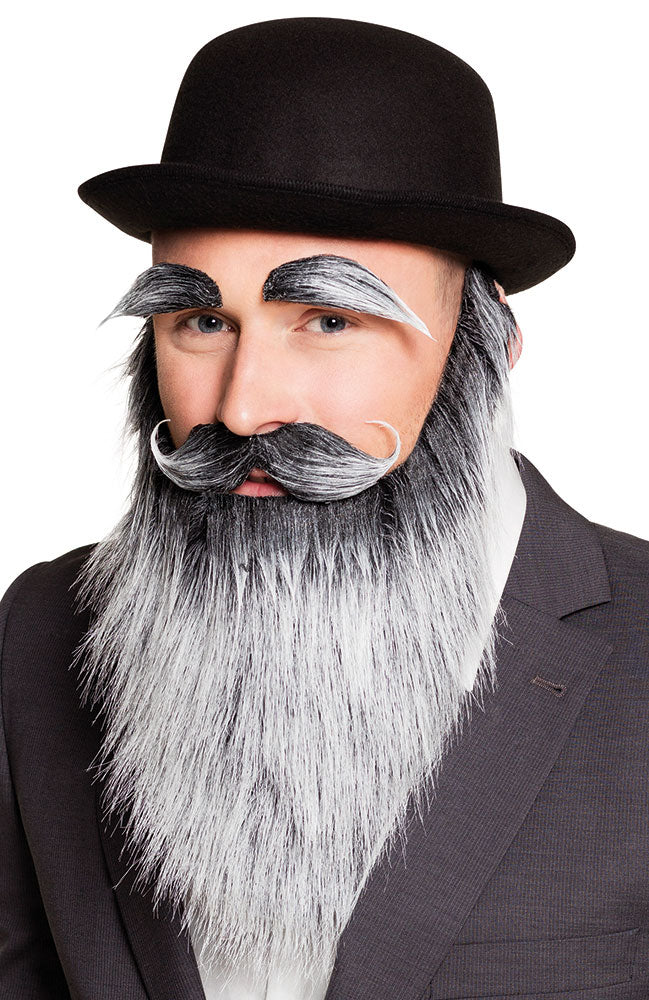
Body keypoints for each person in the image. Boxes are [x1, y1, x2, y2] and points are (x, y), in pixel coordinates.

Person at [1, 16, 647, 1000]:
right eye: (201, 319)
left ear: (489, 344)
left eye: (330, 319)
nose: (242, 407)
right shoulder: (40, 627)